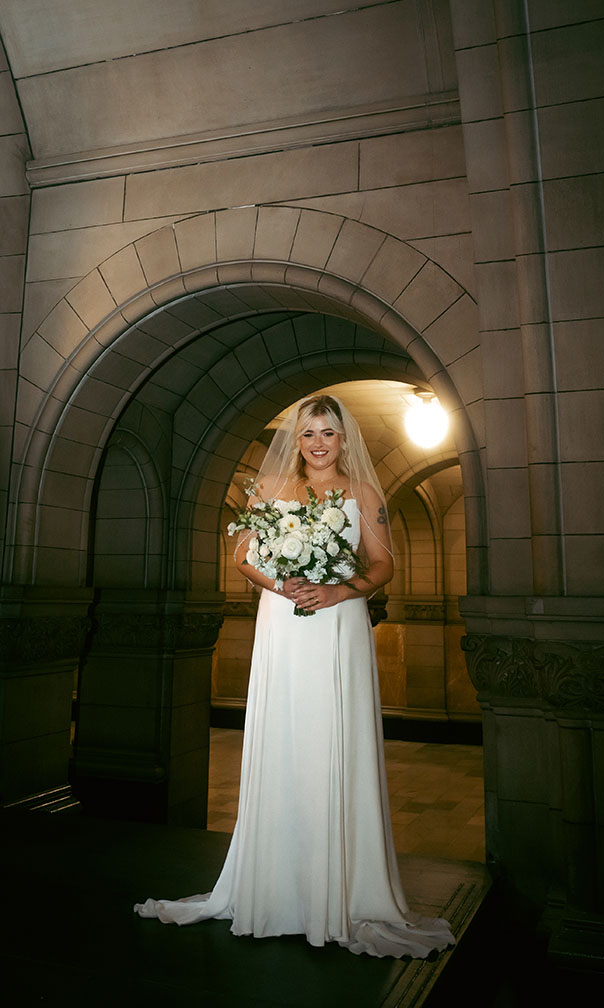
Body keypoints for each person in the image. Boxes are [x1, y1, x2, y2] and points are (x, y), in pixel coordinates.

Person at [135, 395, 455, 958]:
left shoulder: (364, 494)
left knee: (335, 743)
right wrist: (283, 586)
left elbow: (384, 565)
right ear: (297, 438)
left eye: (328, 433)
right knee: (286, 740)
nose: (318, 444)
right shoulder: (269, 491)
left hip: (339, 624)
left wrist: (338, 590)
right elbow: (243, 558)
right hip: (283, 622)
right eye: (308, 433)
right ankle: (275, 888)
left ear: (343, 439)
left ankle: (345, 891)